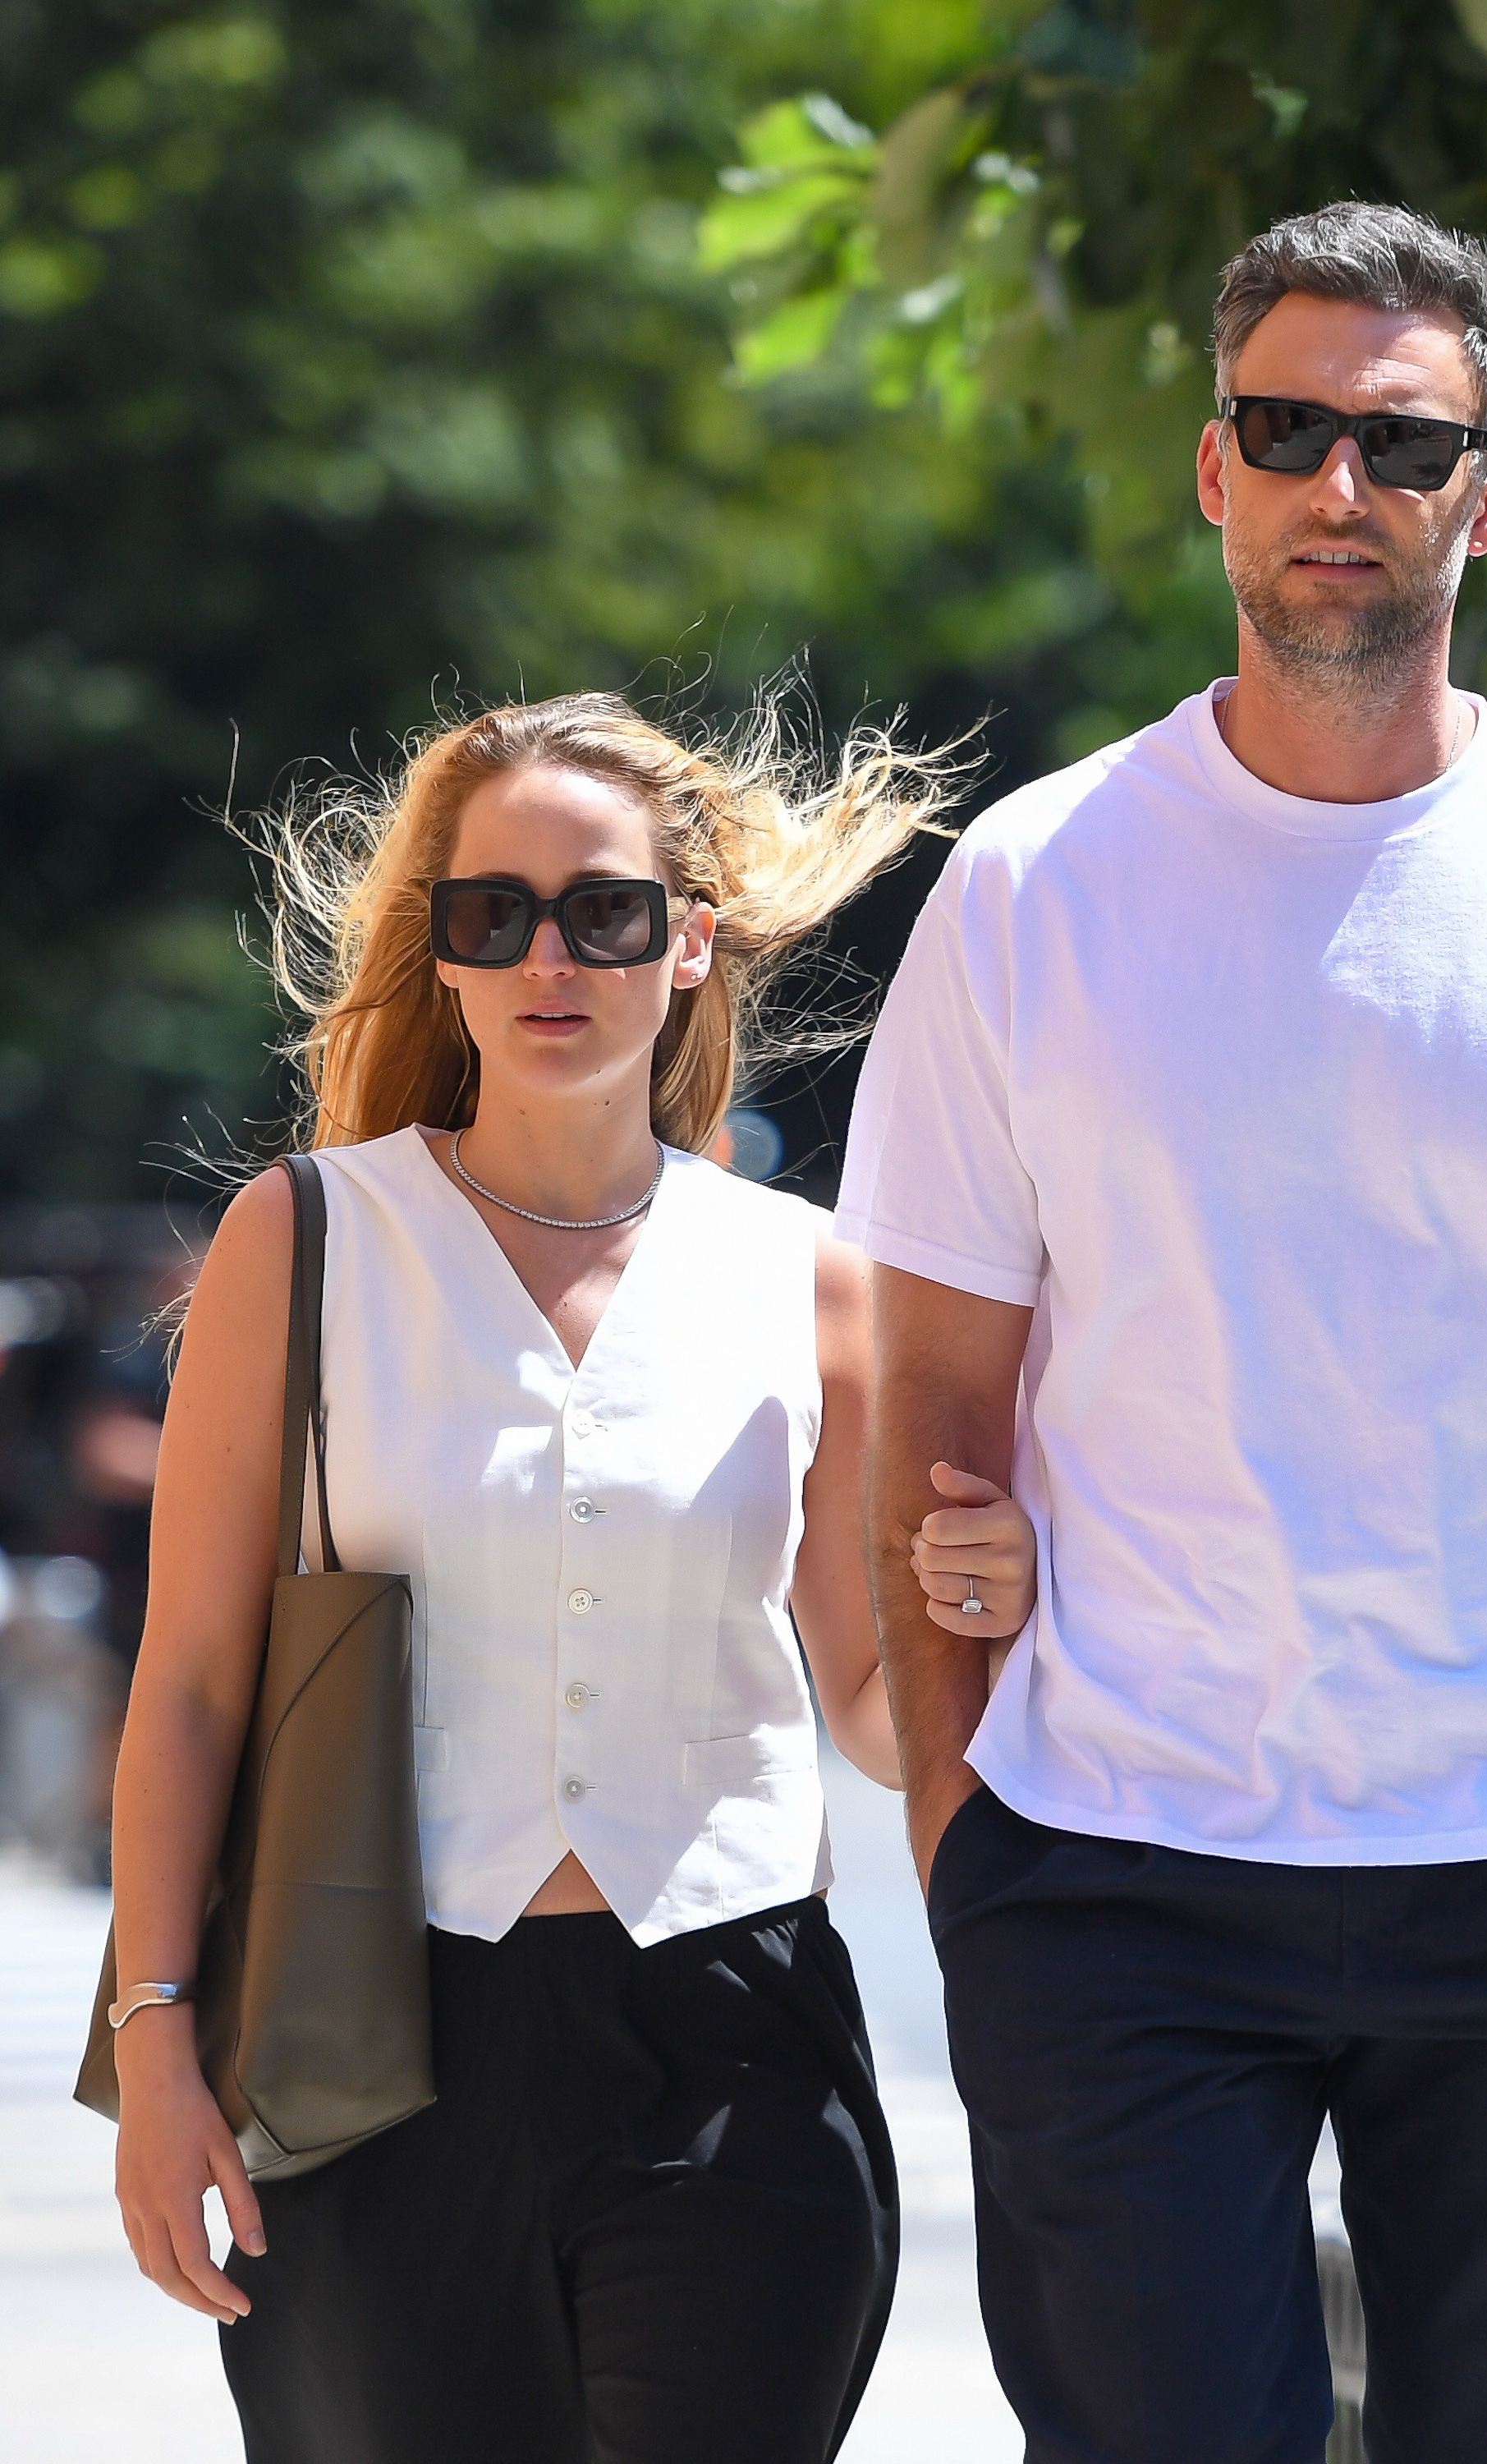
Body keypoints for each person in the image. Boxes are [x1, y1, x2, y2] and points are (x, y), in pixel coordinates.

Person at [846, 203, 1487, 2464]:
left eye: (1396, 446)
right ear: (1209, 469)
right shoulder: (1030, 886)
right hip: (1111, 1875)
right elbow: (924, 1407)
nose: (1337, 487)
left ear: (1486, 496)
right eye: (1282, 429)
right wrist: (961, 1843)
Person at [106, 690, 1040, 2464]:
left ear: (689, 943)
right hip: (375, 2038)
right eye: (493, 913)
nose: (551, 956)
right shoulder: (300, 1240)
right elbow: (195, 1682)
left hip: (739, 2036)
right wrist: (155, 2046)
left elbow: (870, 1706)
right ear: (439, 954)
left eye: (604, 912)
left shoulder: (810, 1275)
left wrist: (973, 1612)